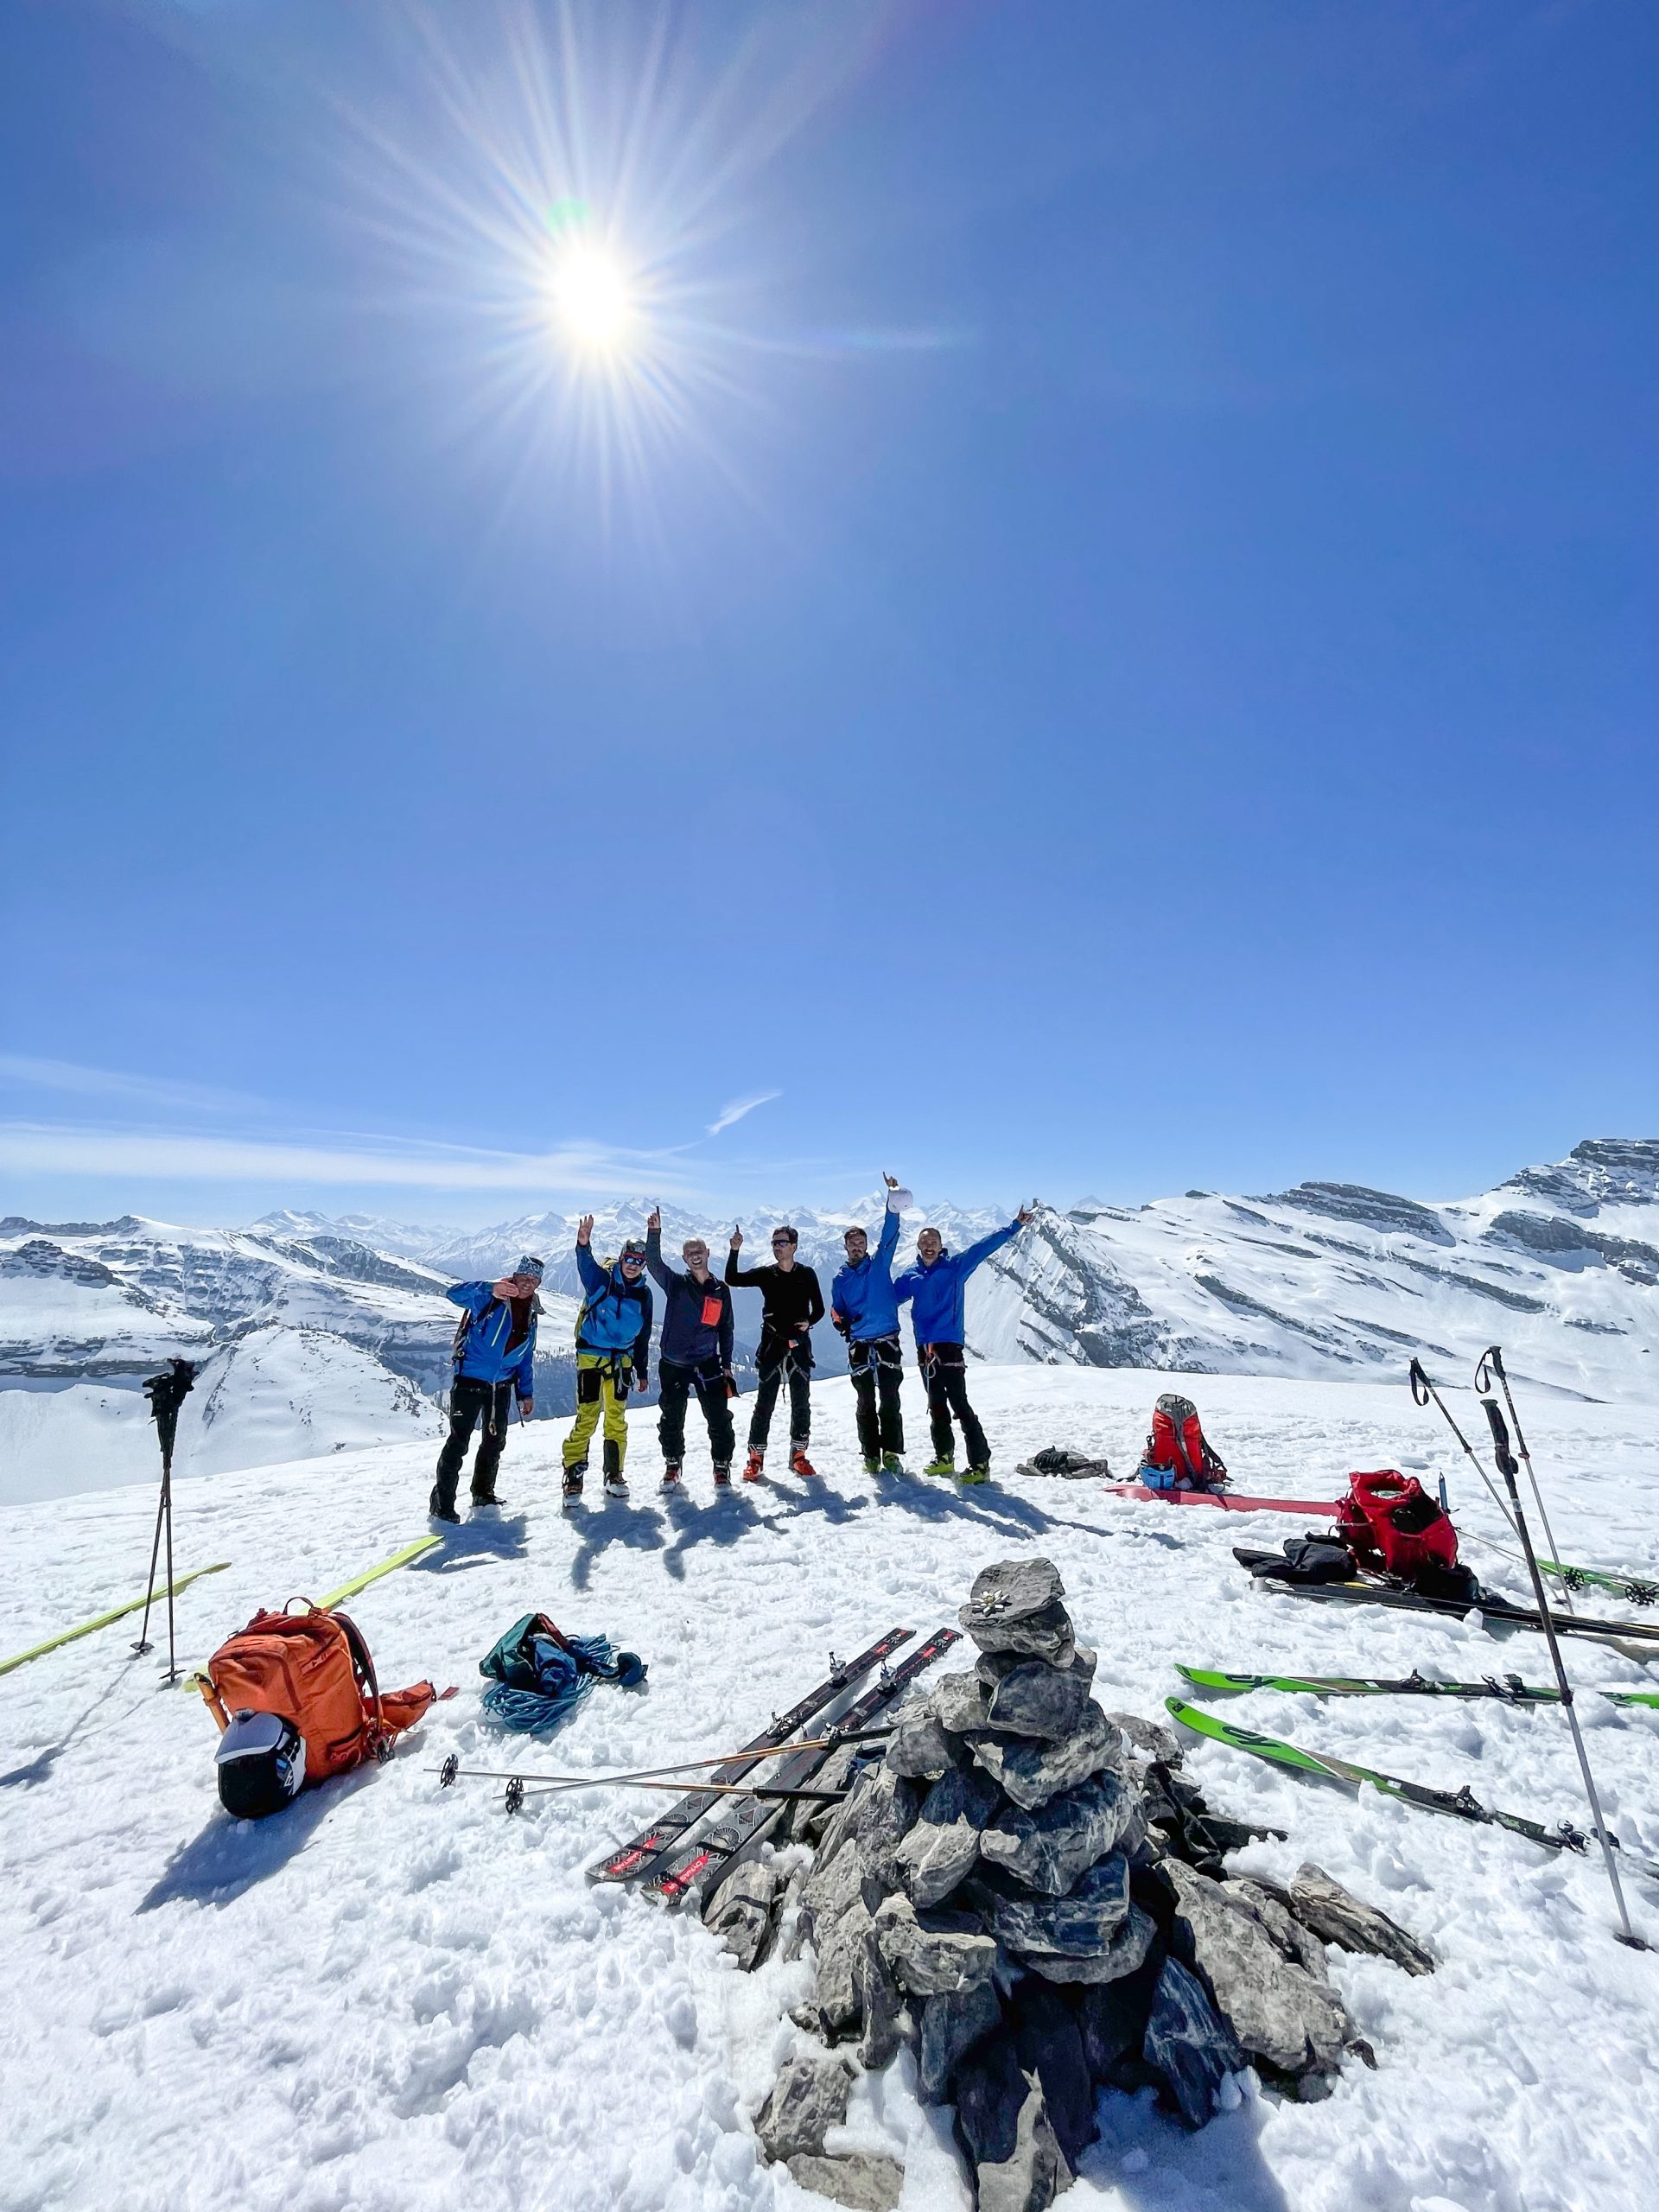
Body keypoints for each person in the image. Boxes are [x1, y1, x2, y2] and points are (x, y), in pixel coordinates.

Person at [894, 1207, 1037, 1483]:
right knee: (936, 1406)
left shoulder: (956, 1267)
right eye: (924, 1242)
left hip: (949, 1347)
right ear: (918, 1247)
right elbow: (888, 1299)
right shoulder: (910, 1276)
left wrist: (1014, 1226)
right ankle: (944, 1457)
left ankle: (980, 1463)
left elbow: (984, 1247)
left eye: (933, 1242)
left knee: (959, 1405)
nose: (928, 1246)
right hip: (925, 1350)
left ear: (940, 1246)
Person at [431, 1255, 543, 1522]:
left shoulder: (532, 1311)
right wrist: (487, 1287)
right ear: (514, 1276)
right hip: (470, 1381)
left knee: (494, 1442)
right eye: (524, 1278)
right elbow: (453, 1294)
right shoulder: (491, 1296)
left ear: (538, 1283)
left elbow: (525, 1356)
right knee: (458, 1444)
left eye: (533, 1280)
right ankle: (442, 1504)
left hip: (501, 1386)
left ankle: (483, 1494)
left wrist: (525, 1393)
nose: (527, 1284)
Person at [645, 1206, 736, 1489]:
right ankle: (673, 1465)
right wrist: (654, 1232)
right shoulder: (675, 1284)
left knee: (718, 1416)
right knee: (671, 1417)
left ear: (708, 1253)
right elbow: (653, 1261)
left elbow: (726, 1328)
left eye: (699, 1250)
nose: (695, 1254)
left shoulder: (721, 1290)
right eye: (689, 1252)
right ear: (685, 1258)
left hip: (708, 1361)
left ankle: (721, 1467)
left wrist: (727, 1365)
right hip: (674, 1363)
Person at [725, 1221, 825, 1481]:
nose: (776, 1248)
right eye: (774, 1243)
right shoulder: (766, 1274)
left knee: (801, 1403)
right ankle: (755, 1460)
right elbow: (732, 1279)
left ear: (794, 1246)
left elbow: (820, 1309)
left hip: (799, 1345)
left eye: (781, 1243)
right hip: (772, 1343)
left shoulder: (807, 1274)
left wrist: (809, 1322)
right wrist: (734, 1250)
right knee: (764, 1404)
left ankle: (798, 1456)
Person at [563, 1217, 652, 1503]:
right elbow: (585, 1267)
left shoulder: (644, 1294)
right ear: (622, 1257)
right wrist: (583, 1244)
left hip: (623, 1363)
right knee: (587, 1416)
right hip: (592, 1357)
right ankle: (573, 1475)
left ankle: (614, 1473)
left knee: (616, 1418)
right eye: (629, 1258)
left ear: (644, 1265)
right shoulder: (602, 1281)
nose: (632, 1265)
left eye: (639, 1261)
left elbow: (643, 1335)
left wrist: (642, 1370)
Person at [830, 1173, 910, 1476]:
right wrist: (841, 1323)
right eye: (852, 1244)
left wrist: (892, 1197)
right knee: (865, 1401)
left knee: (890, 1399)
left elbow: (891, 1232)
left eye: (861, 1243)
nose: (857, 1247)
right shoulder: (840, 1278)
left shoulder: (880, 1264)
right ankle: (870, 1455)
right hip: (860, 1344)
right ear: (846, 1247)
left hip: (887, 1340)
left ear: (866, 1245)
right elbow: (836, 1310)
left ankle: (890, 1453)